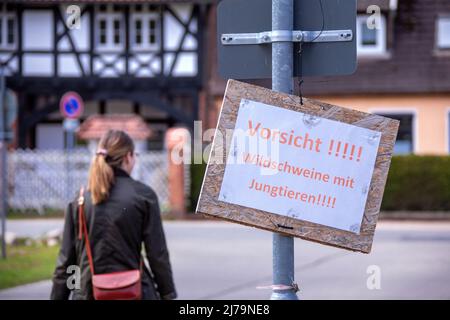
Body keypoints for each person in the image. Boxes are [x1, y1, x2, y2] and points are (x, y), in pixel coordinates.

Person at [50, 130, 176, 300]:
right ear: (128, 157)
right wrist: (167, 294)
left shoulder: (80, 199)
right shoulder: (143, 196)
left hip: (88, 293)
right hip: (135, 292)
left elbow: (66, 261)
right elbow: (157, 255)